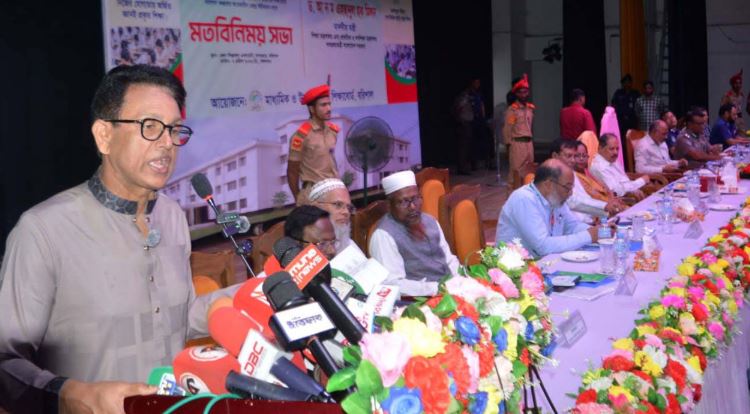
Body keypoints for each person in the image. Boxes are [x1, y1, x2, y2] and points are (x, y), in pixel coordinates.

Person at [0, 65, 236, 413]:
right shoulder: (43, 230)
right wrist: (70, 395)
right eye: (150, 126)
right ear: (104, 136)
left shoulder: (172, 216)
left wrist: (251, 294)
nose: (167, 144)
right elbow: (5, 363)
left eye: (174, 129)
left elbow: (178, 319)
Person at [369, 170, 459, 297]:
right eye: (404, 201)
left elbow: (449, 259)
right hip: (421, 300)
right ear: (389, 205)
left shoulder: (430, 221)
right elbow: (393, 284)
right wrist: (436, 288)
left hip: (451, 290)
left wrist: (459, 280)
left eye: (416, 198)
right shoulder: (383, 236)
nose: (412, 207)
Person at [496, 159, 600, 257]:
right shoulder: (523, 199)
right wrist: (588, 236)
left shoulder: (555, 199)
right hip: (519, 266)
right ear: (548, 184)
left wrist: (599, 231)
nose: (570, 193)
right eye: (567, 188)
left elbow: (572, 226)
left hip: (547, 261)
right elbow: (543, 246)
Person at [287, 84, 340, 205]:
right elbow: (292, 171)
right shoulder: (301, 136)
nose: (329, 108)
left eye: (329, 104)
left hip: (335, 191)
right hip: (314, 195)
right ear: (312, 109)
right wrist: (298, 199)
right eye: (323, 105)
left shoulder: (333, 131)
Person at [550, 140, 626, 224]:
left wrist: (605, 212)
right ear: (555, 156)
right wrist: (605, 207)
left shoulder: (571, 173)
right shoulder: (551, 176)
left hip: (587, 223)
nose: (573, 160)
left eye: (574, 156)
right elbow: (573, 202)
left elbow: (585, 199)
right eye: (569, 156)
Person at [590, 133, 650, 198]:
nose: (615, 152)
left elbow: (624, 180)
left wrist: (635, 190)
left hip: (632, 195)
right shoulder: (599, 167)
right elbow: (617, 191)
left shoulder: (611, 159)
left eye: (617, 149)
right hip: (622, 201)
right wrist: (641, 181)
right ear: (600, 148)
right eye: (611, 149)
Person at [503, 74, 536, 185]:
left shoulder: (530, 109)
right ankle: (511, 195)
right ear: (516, 94)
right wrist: (508, 147)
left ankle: (526, 195)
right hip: (517, 144)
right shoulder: (512, 110)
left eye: (525, 92)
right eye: (520, 92)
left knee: (529, 172)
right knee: (515, 174)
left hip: (529, 144)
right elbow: (507, 129)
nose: (523, 95)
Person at [308, 178, 354, 254]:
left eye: (348, 207)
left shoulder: (349, 244)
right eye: (338, 205)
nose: (346, 212)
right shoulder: (303, 247)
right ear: (316, 207)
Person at [453, 78, 485, 174]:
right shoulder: (465, 95)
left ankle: (472, 165)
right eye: (475, 82)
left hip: (474, 122)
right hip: (464, 122)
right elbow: (458, 107)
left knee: (471, 145)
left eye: (479, 82)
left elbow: (480, 106)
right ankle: (462, 168)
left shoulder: (477, 94)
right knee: (464, 146)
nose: (477, 85)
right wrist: (460, 120)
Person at [611, 74, 640, 144]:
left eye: (628, 82)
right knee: (621, 139)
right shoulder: (618, 93)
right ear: (622, 83)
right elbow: (613, 105)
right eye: (625, 82)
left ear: (631, 83)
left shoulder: (635, 93)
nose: (627, 84)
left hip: (632, 121)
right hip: (621, 121)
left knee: (632, 139)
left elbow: (639, 107)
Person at [720, 69, 746, 136]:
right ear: (732, 84)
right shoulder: (728, 95)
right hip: (730, 120)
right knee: (732, 137)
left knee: (743, 136)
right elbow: (722, 109)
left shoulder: (741, 95)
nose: (738, 85)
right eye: (736, 83)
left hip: (739, 119)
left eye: (740, 83)